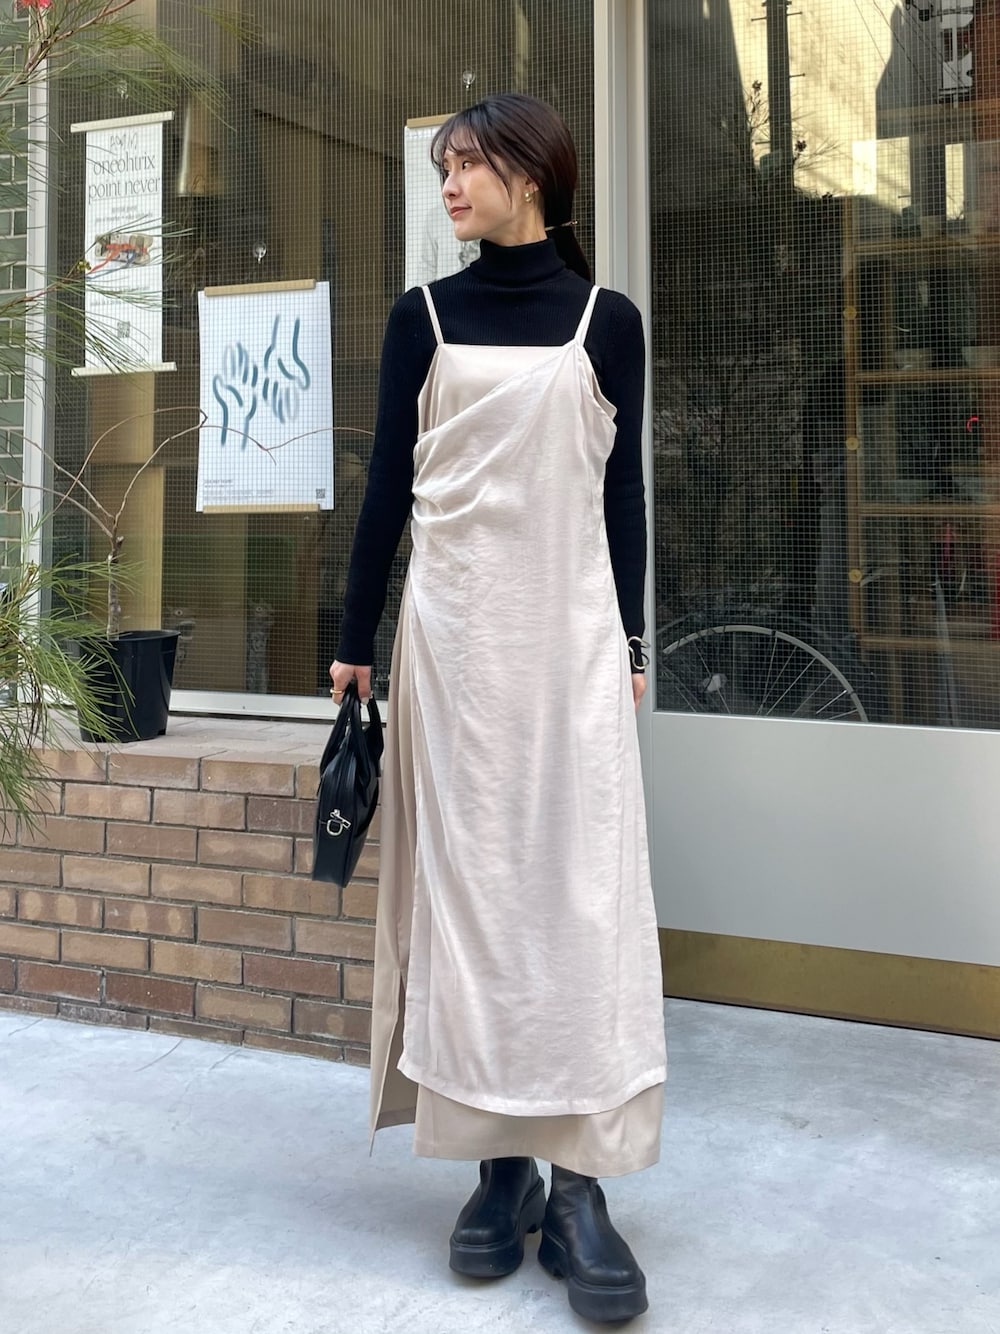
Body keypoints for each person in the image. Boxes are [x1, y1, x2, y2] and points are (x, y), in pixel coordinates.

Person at [330, 92, 666, 1325]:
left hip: (570, 652)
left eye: (467, 163)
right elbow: (385, 486)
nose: (450, 185)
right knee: (469, 907)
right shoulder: (421, 316)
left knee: (578, 906)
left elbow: (620, 492)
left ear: (533, 174)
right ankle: (496, 1167)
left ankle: (579, 1183)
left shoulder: (607, 320)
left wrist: (633, 639)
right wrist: (351, 641)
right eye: (444, 167)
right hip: (454, 653)